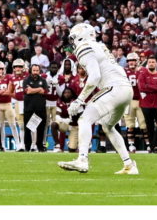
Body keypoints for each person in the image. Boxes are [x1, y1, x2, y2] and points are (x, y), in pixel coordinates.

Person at [56, 21, 137, 176]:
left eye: (74, 38)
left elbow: (95, 77)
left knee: (85, 119)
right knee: (108, 126)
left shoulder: (84, 47)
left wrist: (79, 100)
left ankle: (82, 159)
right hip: (125, 89)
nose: (73, 42)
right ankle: (129, 165)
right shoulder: (100, 46)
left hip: (114, 87)